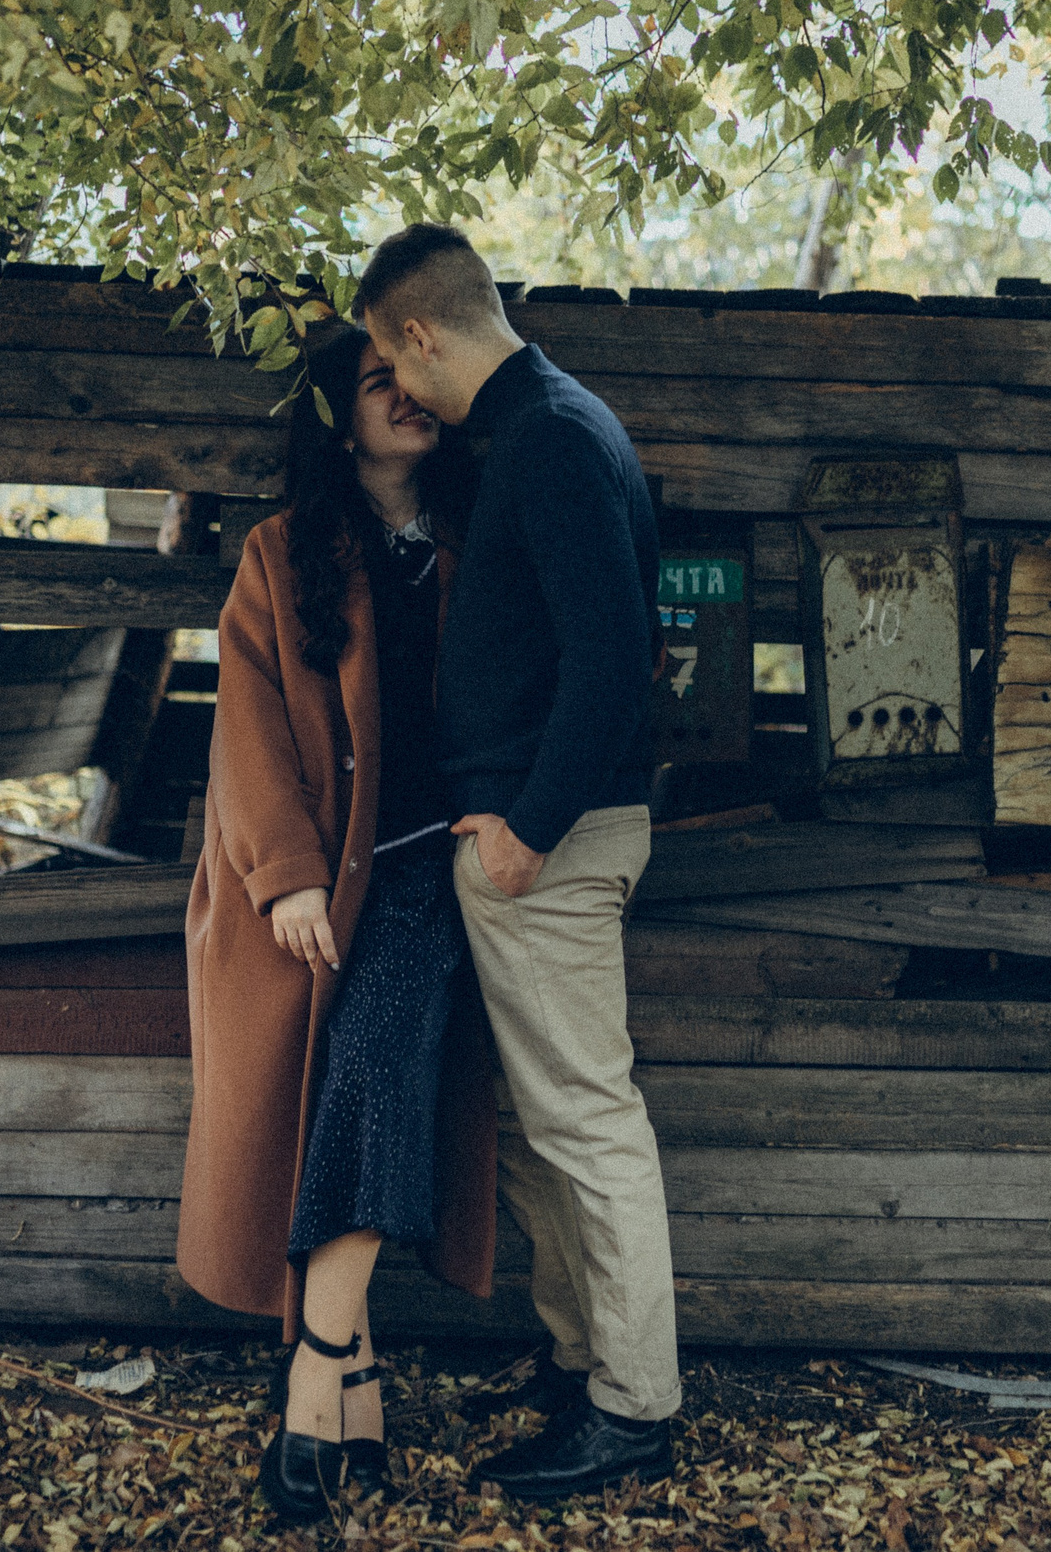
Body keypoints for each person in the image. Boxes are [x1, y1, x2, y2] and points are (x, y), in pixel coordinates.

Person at [357, 222, 679, 1501]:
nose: (403, 389)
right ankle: (580, 1358)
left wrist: (527, 829)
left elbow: (613, 659)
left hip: (553, 843)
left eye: (394, 358)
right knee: (550, 1128)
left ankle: (633, 1407)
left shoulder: (547, 437)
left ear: (421, 332)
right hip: (539, 838)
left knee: (589, 1124)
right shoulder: (551, 424)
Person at [174, 326, 496, 1524]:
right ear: (334, 414)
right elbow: (244, 730)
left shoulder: (475, 538)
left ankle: (314, 1372)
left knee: (366, 1074)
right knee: (337, 1098)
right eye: (379, 385)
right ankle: (358, 1379)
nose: (408, 400)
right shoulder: (281, 554)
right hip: (311, 886)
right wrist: (290, 875)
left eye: (416, 382)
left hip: (433, 874)